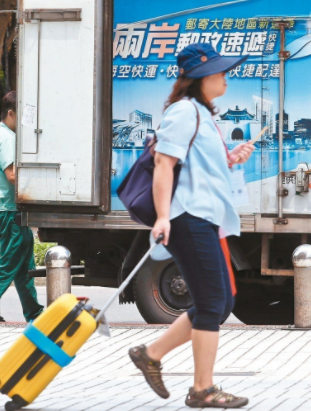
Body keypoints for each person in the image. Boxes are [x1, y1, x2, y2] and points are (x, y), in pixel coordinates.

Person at [128, 43, 255, 408]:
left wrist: (230, 159)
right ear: (201, 77)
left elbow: (197, 166)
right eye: (221, 72)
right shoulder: (184, 111)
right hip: (188, 218)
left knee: (221, 301)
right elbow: (164, 164)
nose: (226, 78)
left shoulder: (201, 113)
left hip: (205, 218)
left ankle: (151, 354)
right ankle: (203, 389)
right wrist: (162, 216)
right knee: (213, 302)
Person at [0, 91, 44, 322]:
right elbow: (12, 175)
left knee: (24, 267)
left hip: (8, 211)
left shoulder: (0, 136)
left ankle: (34, 313)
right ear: (10, 113)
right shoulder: (6, 138)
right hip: (9, 212)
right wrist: (42, 186)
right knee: (7, 265)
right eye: (22, 115)